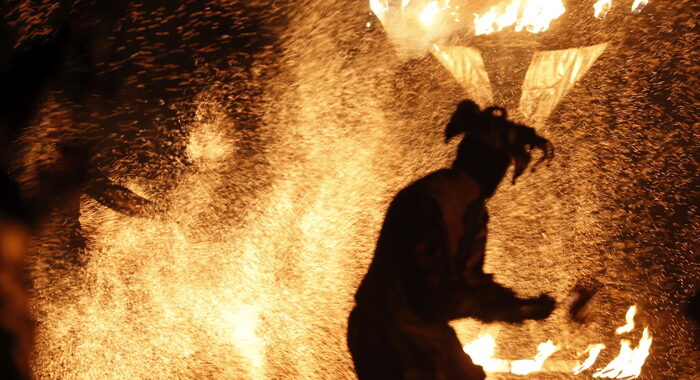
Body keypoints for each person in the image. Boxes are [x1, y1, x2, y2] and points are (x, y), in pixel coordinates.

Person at [348, 100, 557, 380]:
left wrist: (518, 306)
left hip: (419, 331)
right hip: (387, 332)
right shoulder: (429, 202)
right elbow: (431, 295)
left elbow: (467, 279)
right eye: (503, 165)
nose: (502, 175)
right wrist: (504, 307)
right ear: (489, 164)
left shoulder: (473, 209)